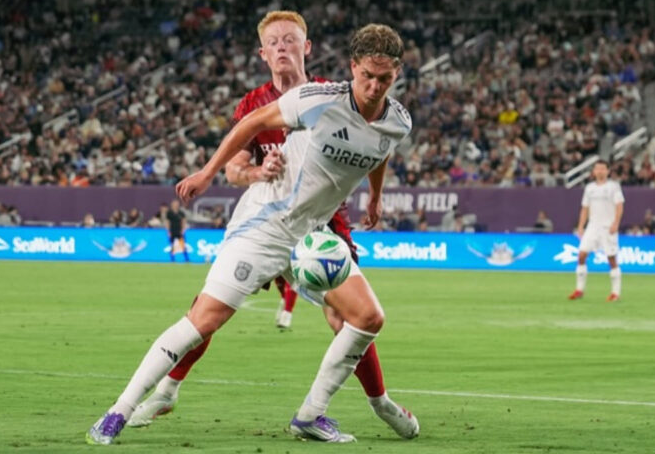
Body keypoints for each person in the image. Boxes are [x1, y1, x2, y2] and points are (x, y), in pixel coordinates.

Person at [87, 23, 415, 445]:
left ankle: (312, 415)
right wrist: (207, 174)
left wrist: (374, 197)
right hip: (265, 224)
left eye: (384, 79)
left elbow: (379, 151)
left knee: (368, 317)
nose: (373, 86)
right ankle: (119, 411)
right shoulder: (316, 100)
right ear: (352, 67)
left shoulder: (399, 121)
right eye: (366, 75)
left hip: (312, 237)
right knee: (204, 318)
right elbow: (250, 125)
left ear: (397, 73)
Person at [569, 160, 624, 302]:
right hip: (592, 227)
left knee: (611, 259)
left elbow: (619, 206)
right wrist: (581, 226)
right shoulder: (589, 188)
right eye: (597, 168)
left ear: (607, 171)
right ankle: (579, 290)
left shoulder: (613, 187)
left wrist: (616, 223)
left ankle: (615, 293)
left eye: (602, 168)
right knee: (581, 256)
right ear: (593, 172)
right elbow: (585, 208)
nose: (600, 171)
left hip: (608, 227)